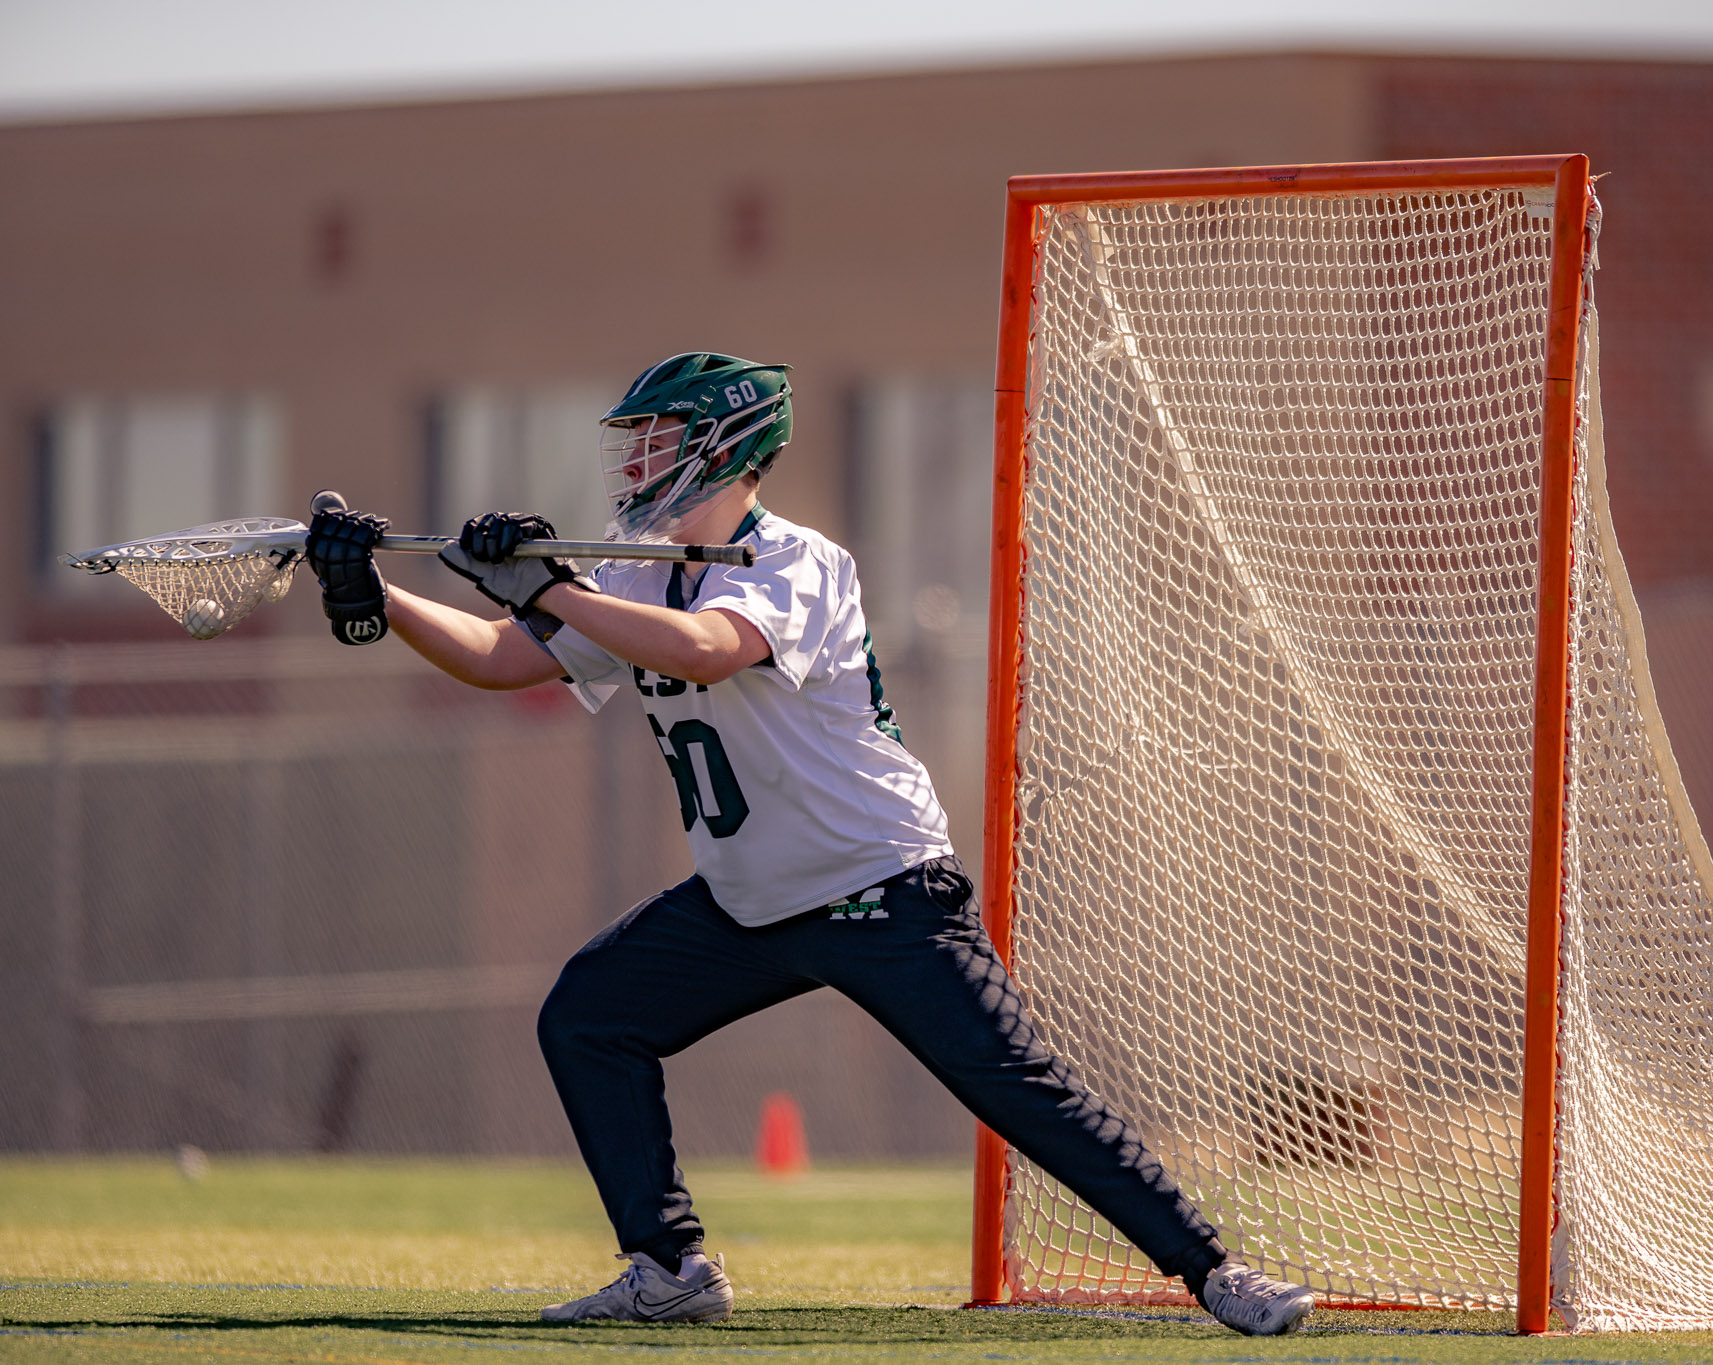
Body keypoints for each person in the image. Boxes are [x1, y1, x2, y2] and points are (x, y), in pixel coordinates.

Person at [303, 352, 1316, 1336]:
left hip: (876, 889)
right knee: (589, 1016)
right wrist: (377, 594)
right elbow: (496, 658)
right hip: (745, 902)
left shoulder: (797, 560)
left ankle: (1215, 1272)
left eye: (657, 441)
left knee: (1015, 1090)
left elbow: (709, 653)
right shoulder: (626, 574)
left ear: (727, 448)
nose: (634, 462)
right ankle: (667, 1268)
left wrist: (544, 587)